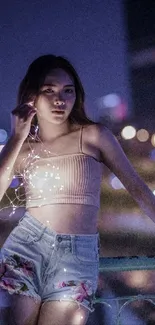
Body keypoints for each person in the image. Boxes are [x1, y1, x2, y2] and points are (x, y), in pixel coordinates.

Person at [0, 54, 155, 325]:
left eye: (67, 91)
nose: (60, 99)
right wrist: (16, 137)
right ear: (31, 95)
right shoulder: (23, 147)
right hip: (27, 247)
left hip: (76, 254)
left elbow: (139, 190)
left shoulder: (94, 136)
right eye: (49, 90)